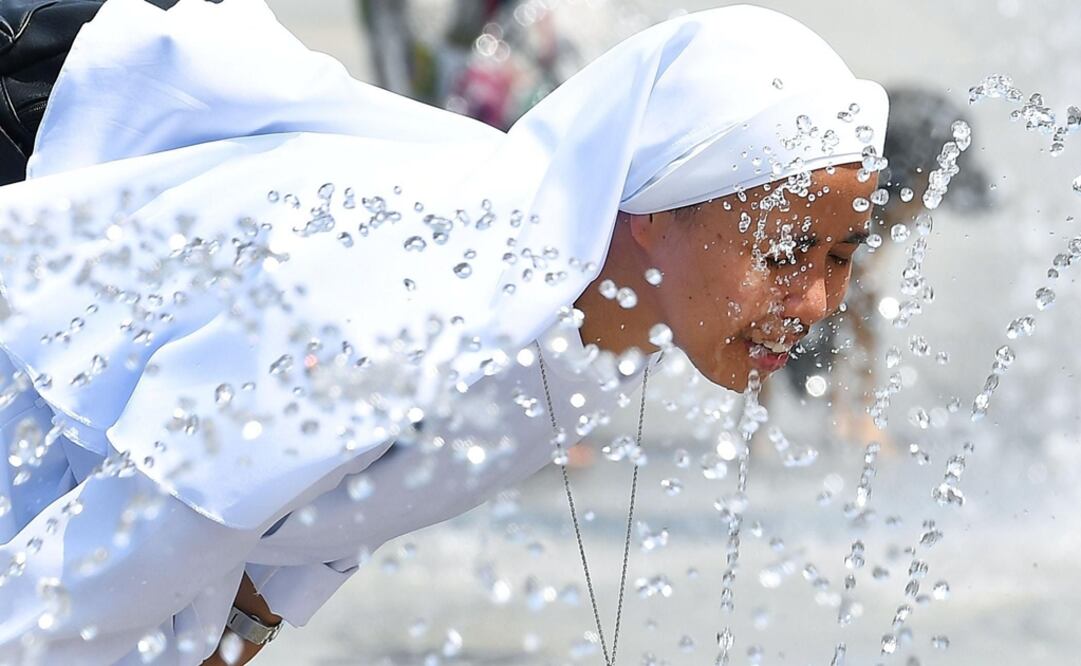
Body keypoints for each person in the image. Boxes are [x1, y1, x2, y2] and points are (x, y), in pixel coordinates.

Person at [0, 2, 887, 664]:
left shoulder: (606, 319)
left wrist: (237, 634)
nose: (815, 301)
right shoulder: (419, 305)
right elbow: (117, 551)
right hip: (38, 113)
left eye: (842, 255)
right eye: (783, 251)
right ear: (655, 208)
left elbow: (335, 507)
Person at [775, 87, 992, 446]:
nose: (929, 206)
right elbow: (857, 300)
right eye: (935, 188)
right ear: (918, 178)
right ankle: (841, 419)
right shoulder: (862, 211)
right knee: (845, 295)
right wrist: (865, 414)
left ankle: (816, 417)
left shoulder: (860, 194)